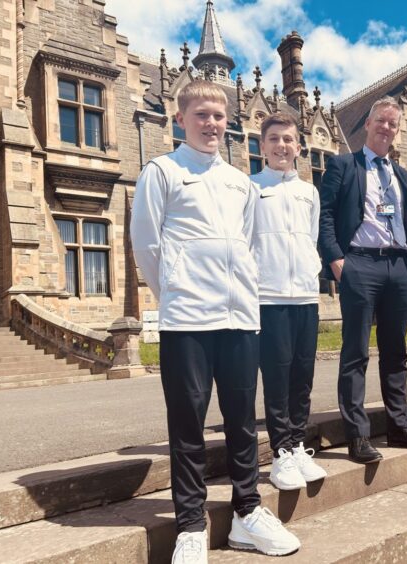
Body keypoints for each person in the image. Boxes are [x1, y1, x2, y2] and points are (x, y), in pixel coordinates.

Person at [130, 80, 299, 563]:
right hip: (187, 320)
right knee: (187, 425)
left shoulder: (241, 183)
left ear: (229, 123)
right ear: (180, 119)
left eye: (219, 117)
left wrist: (239, 298)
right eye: (201, 115)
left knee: (243, 422)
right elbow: (147, 244)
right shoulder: (161, 171)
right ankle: (189, 524)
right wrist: (176, 295)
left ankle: (248, 511)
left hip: (240, 319)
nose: (211, 124)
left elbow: (244, 246)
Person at [318, 96, 407, 464]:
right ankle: (358, 435)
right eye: (380, 121)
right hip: (360, 264)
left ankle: (399, 428)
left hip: (399, 267)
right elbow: (324, 215)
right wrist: (338, 261)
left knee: (396, 352)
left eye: (392, 123)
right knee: (355, 352)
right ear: (367, 125)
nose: (386, 128)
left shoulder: (401, 174)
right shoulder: (343, 165)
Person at [251, 112, 327, 491]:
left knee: (302, 377)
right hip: (269, 297)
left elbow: (311, 239)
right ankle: (280, 452)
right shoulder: (250, 188)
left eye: (289, 140)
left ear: (299, 146)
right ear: (262, 145)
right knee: (277, 378)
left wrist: (310, 273)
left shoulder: (309, 192)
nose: (282, 146)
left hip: (305, 296)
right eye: (274, 139)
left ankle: (297, 445)